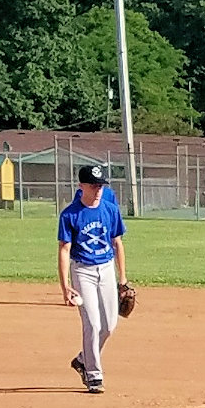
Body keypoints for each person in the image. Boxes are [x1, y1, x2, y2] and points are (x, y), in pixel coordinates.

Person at [58, 163, 127, 393]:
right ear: (81, 186)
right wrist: (65, 286)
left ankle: (82, 360)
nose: (98, 189)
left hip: (106, 268)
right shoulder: (70, 214)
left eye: (101, 185)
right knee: (93, 324)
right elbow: (64, 250)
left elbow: (117, 243)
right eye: (94, 185)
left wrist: (123, 279)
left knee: (109, 325)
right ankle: (94, 375)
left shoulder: (110, 209)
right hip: (82, 270)